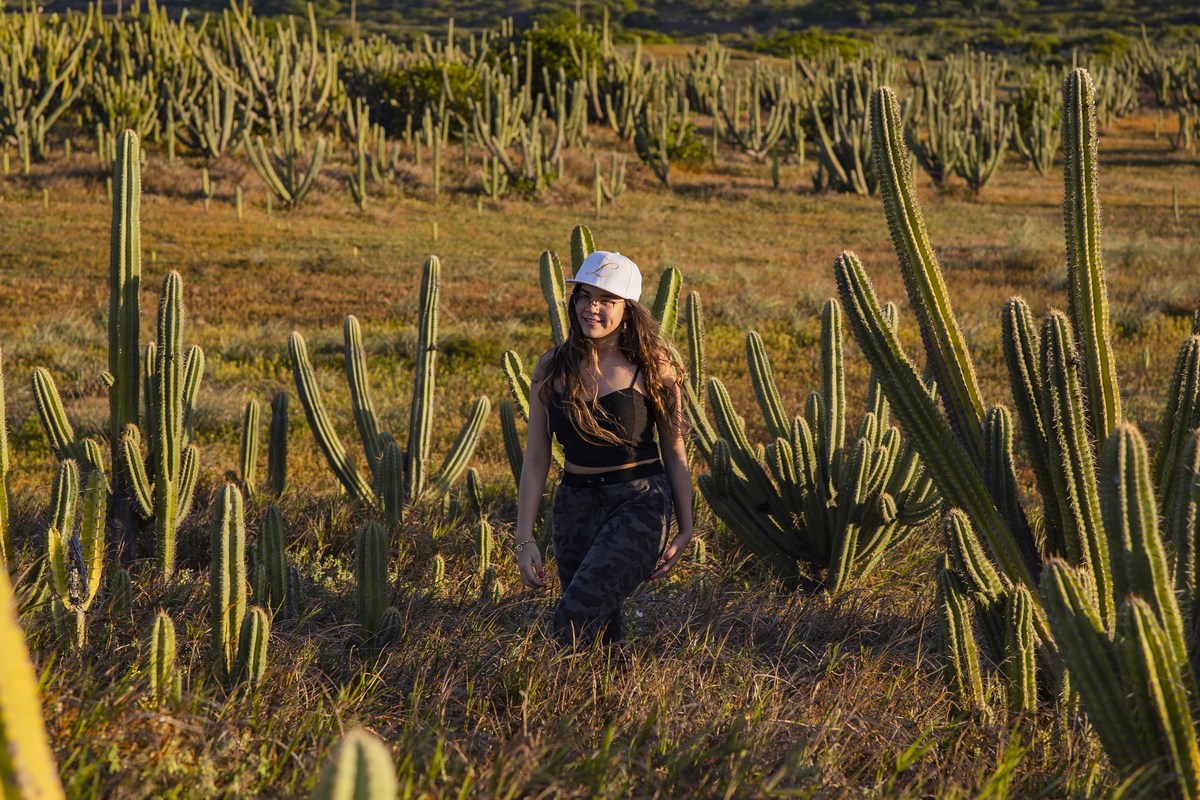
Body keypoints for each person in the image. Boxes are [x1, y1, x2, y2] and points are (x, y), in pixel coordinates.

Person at [514, 249, 694, 647]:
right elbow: (536, 457)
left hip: (638, 503)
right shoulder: (551, 367)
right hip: (574, 505)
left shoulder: (653, 365)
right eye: (584, 296)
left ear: (627, 309)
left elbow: (675, 449)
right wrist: (524, 538)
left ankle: (541, 700)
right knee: (600, 631)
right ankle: (608, 703)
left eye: (606, 300)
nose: (591, 308)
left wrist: (686, 527)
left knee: (572, 618)